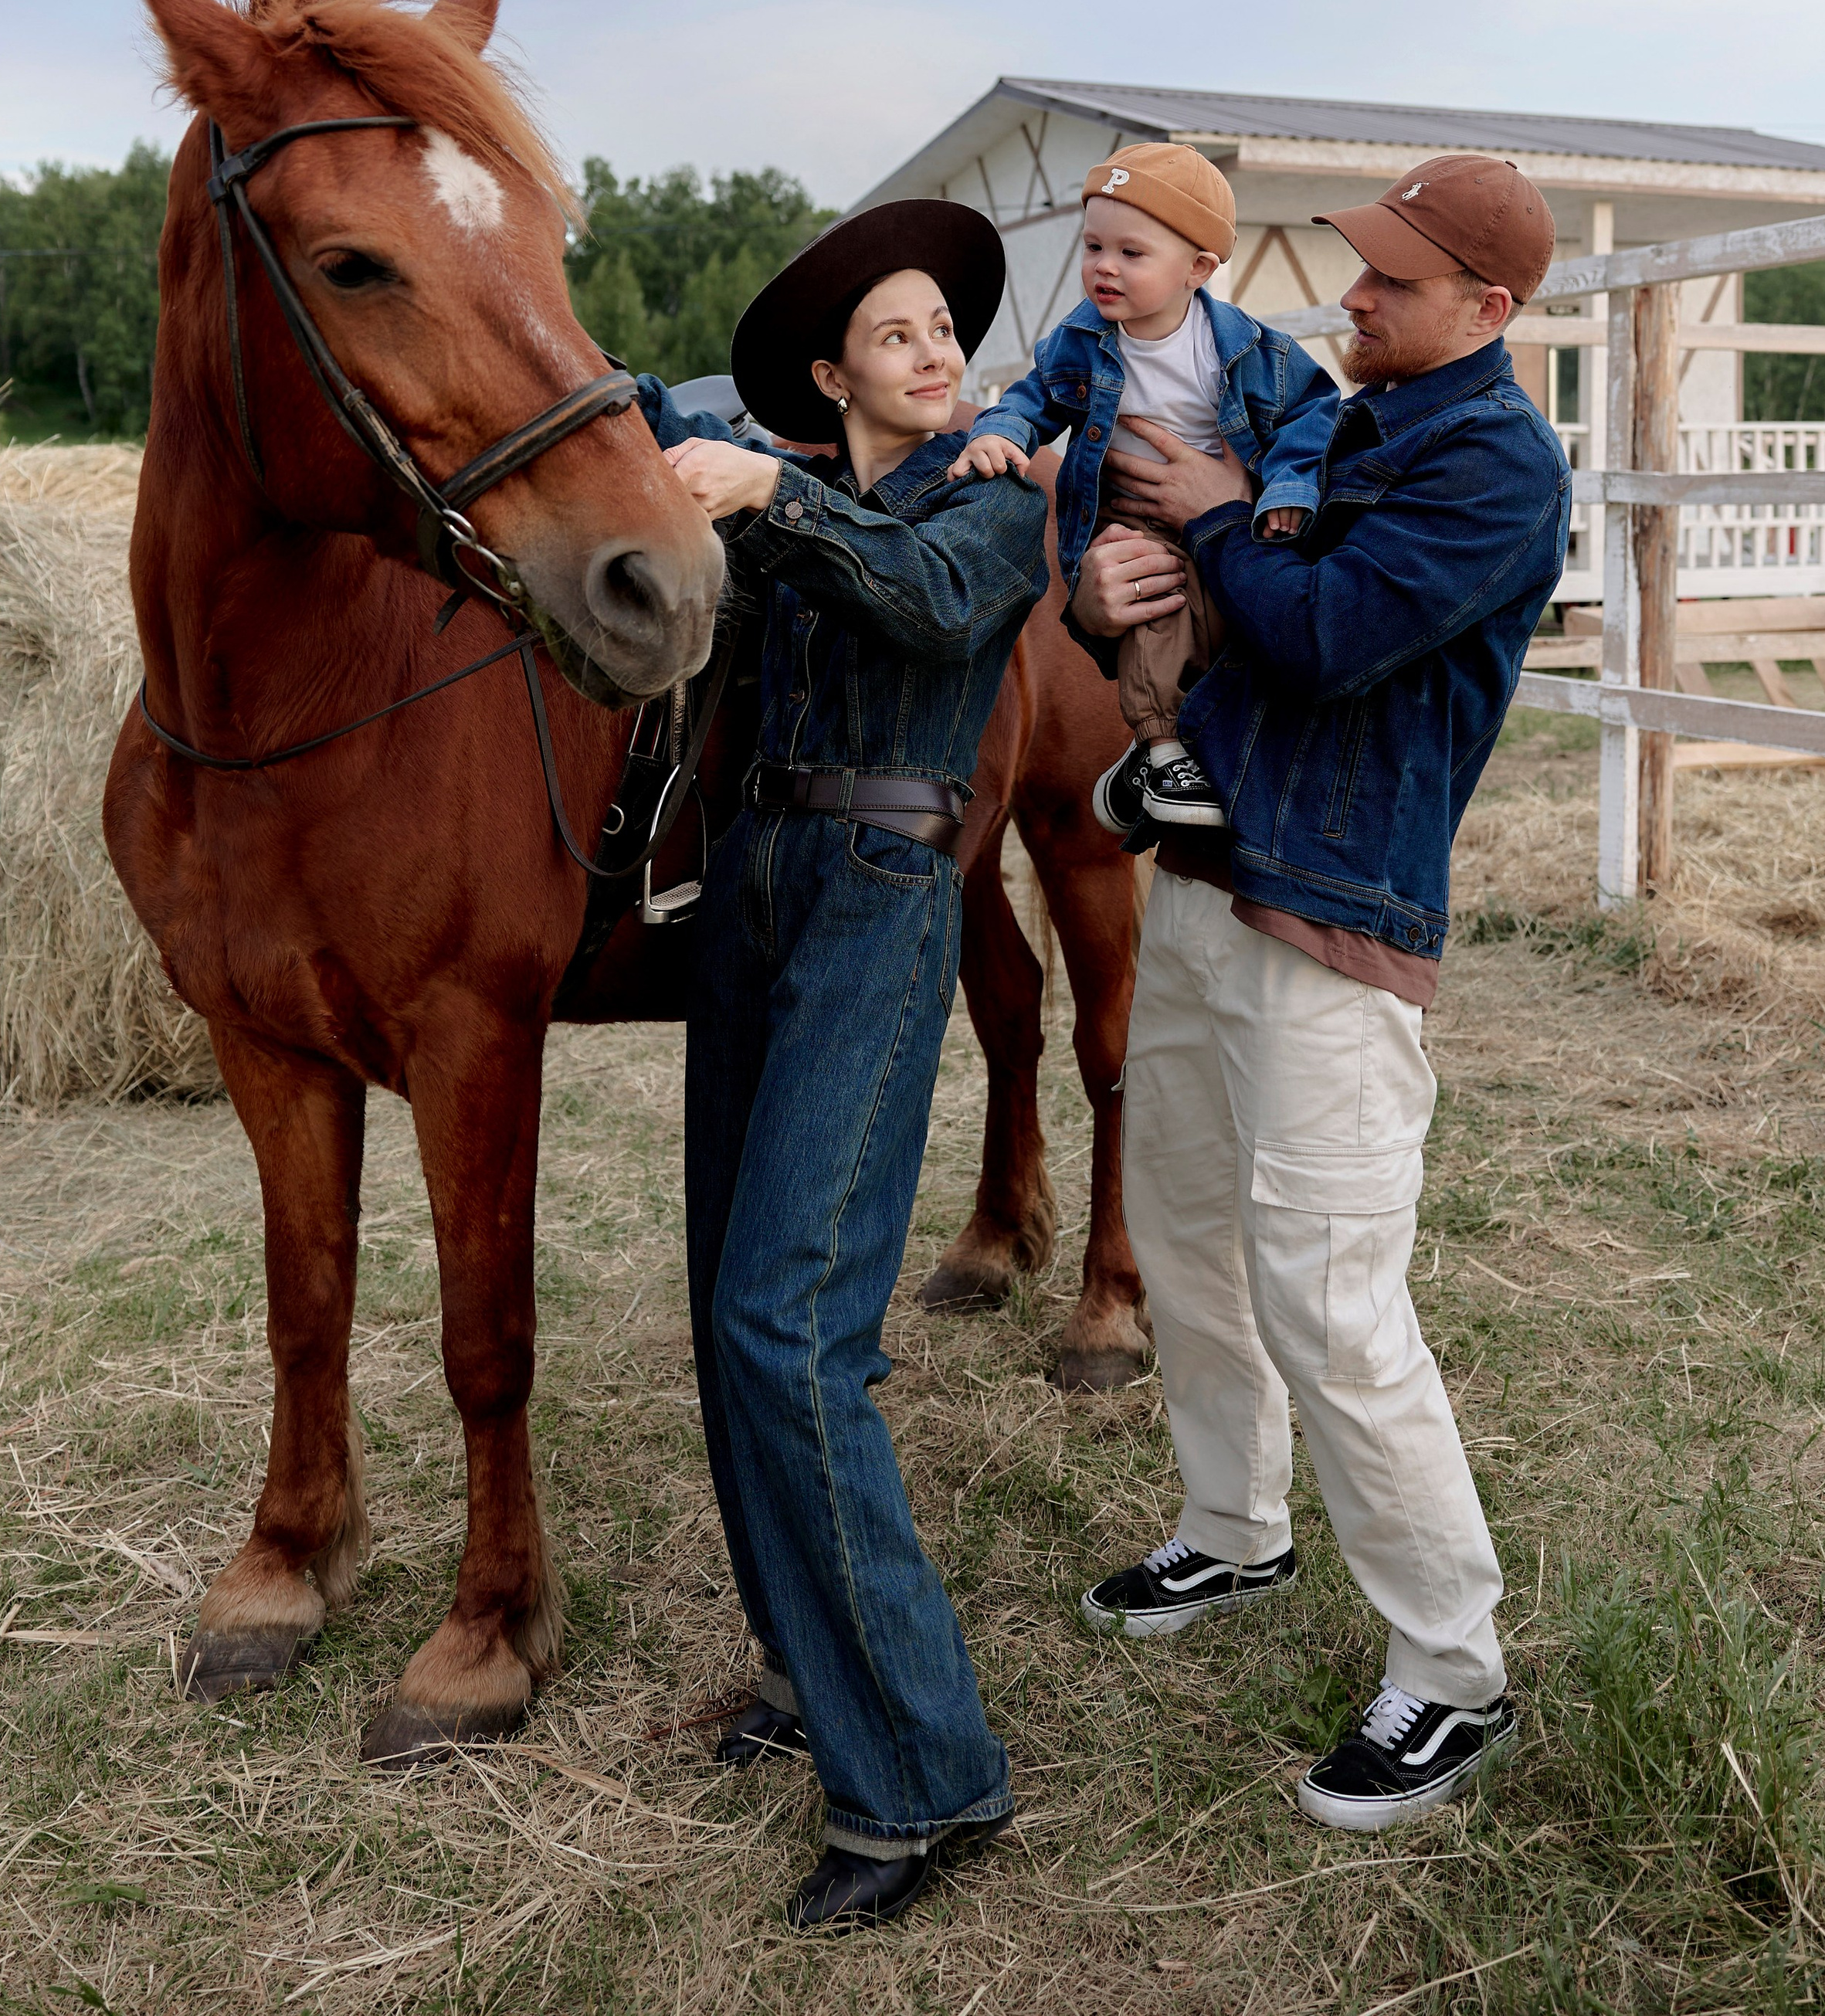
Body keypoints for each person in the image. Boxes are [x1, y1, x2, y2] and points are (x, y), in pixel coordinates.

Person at [1068, 154, 1570, 1834]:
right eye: (1357, 270)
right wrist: (1109, 606)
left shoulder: (1495, 468)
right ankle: (1232, 1526)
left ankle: (1450, 1672)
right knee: (1186, 1231)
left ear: (1488, 312)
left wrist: (1208, 513)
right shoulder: (1345, 426)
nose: (1349, 297)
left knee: (1334, 1305)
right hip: (1213, 889)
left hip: (1335, 931)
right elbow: (1218, 633)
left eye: (1391, 283)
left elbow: (1324, 634)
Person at [646, 199, 1050, 1936]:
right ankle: (812, 1673)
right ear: (830, 374)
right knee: (720, 1311)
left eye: (943, 329)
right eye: (895, 334)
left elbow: (938, 616)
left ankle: (922, 1770)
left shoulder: (990, 506)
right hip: (749, 883)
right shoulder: (762, 486)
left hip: (887, 891)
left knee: (789, 1322)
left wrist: (775, 497)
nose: (935, 350)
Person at [949, 142, 1338, 833]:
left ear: (1198, 269)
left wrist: (1287, 488)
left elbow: (1312, 413)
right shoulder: (1081, 341)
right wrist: (1004, 433)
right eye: (1093, 245)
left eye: (1132, 253)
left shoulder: (1250, 350)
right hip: (1131, 513)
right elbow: (1035, 397)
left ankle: (1172, 755)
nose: (1104, 266)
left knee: (1231, 621)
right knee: (1154, 599)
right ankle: (1160, 746)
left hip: (1229, 509)